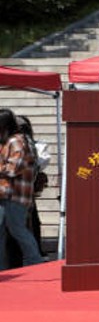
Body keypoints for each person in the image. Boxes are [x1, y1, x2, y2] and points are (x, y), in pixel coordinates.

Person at [0, 109, 45, 268]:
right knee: (9, 231)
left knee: (18, 230)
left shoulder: (16, 141)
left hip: (14, 195)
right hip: (9, 194)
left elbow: (13, 168)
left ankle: (35, 261)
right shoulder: (16, 140)